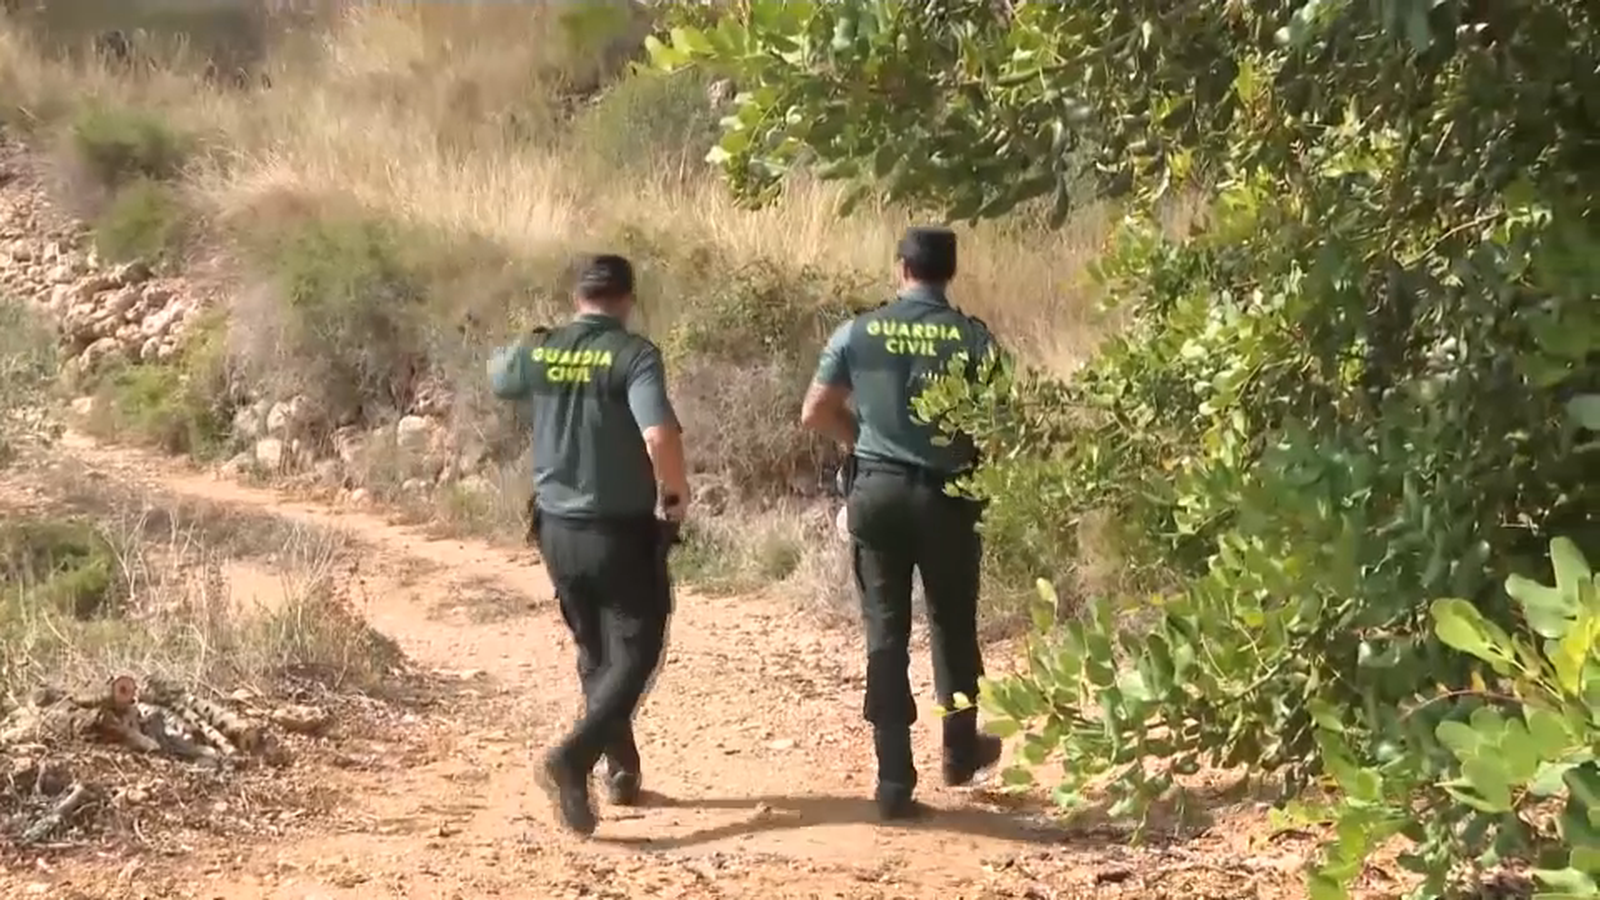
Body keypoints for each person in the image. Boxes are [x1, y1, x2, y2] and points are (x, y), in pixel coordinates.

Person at [800, 226, 1004, 820]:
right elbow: (1003, 419)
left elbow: (815, 410)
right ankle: (960, 750)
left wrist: (862, 443)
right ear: (950, 272)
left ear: (901, 268)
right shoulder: (972, 338)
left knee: (885, 633)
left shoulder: (858, 330)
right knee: (952, 623)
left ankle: (893, 777)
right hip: (948, 497)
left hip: (878, 494)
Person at [487, 253, 689, 837]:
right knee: (639, 647)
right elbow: (659, 433)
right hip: (616, 528)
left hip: (555, 529)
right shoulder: (634, 355)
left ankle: (620, 771)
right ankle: (573, 758)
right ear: (627, 299)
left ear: (578, 297)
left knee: (594, 648)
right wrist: (673, 499)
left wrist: (535, 345)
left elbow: (501, 377)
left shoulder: (543, 348)